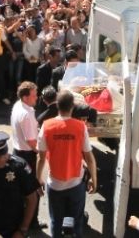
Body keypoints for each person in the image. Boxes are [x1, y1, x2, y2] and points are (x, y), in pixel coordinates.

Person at [36, 90, 97, 238]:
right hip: (75, 184)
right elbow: (89, 158)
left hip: (55, 184)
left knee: (55, 221)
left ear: (57, 105)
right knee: (77, 220)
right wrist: (94, 180)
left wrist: (38, 181)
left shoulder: (46, 126)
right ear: (72, 107)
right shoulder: (80, 127)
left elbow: (41, 158)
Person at [9, 82, 45, 230]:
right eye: (34, 95)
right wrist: (42, 153)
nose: (37, 97)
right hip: (28, 156)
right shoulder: (27, 114)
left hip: (18, 152)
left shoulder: (18, 106)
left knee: (22, 190)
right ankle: (32, 222)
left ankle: (22, 219)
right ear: (25, 97)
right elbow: (32, 143)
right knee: (33, 191)